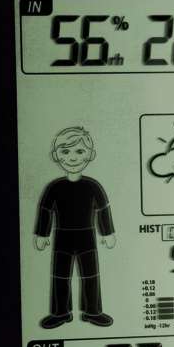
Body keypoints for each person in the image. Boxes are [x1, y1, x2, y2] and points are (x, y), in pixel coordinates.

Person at [34, 126, 116, 329]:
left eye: (79, 151)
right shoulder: (54, 187)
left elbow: (103, 209)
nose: (72, 157)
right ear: (56, 156)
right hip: (62, 239)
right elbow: (45, 210)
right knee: (60, 276)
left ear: (90, 155)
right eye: (65, 151)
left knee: (91, 275)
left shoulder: (93, 186)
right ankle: (60, 312)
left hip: (87, 238)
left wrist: (108, 232)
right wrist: (42, 234)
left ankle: (93, 311)